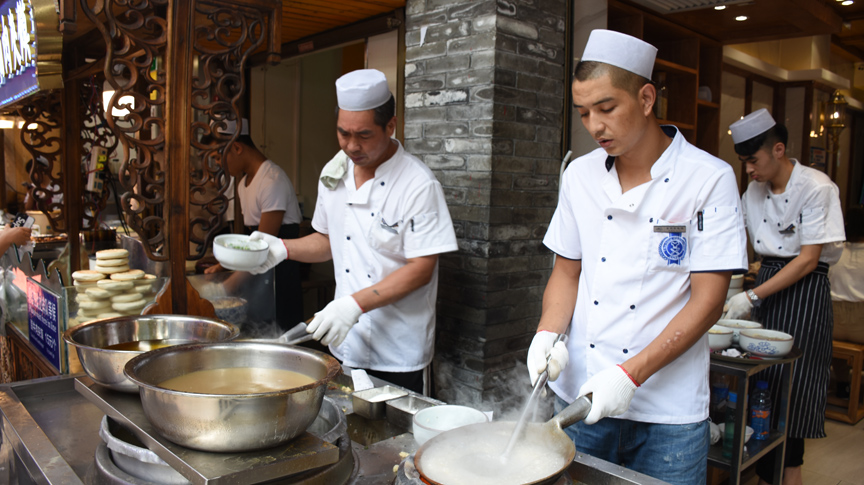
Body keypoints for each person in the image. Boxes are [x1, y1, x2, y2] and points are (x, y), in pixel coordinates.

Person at [527, 30, 747, 485]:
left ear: (646, 98)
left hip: (668, 413)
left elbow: (708, 301)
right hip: (583, 399)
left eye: (607, 108)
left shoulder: (708, 178)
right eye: (584, 113)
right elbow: (568, 272)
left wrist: (629, 376)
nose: (594, 126)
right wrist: (547, 332)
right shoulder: (580, 176)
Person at [246, 69, 458, 394]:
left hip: (397, 350)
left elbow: (421, 269)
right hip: (344, 340)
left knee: (394, 443)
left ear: (391, 126)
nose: (351, 145)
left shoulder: (418, 184)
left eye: (364, 135)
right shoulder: (335, 172)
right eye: (343, 133)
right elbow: (328, 240)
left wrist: (353, 305)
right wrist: (281, 249)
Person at [725, 108, 845, 485]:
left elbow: (809, 260)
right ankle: (756, 473)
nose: (749, 170)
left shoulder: (816, 187)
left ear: (778, 150)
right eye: (744, 162)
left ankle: (786, 474)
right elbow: (752, 251)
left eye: (753, 161)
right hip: (766, 282)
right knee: (759, 383)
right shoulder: (754, 191)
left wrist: (752, 298)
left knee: (794, 390)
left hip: (805, 292)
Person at [205, 118, 305, 329]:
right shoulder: (243, 184)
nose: (217, 164)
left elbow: (262, 247)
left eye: (217, 157)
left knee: (281, 334)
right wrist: (223, 265)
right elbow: (249, 243)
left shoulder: (272, 180)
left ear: (237, 148)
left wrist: (226, 287)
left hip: (279, 275)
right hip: (257, 273)